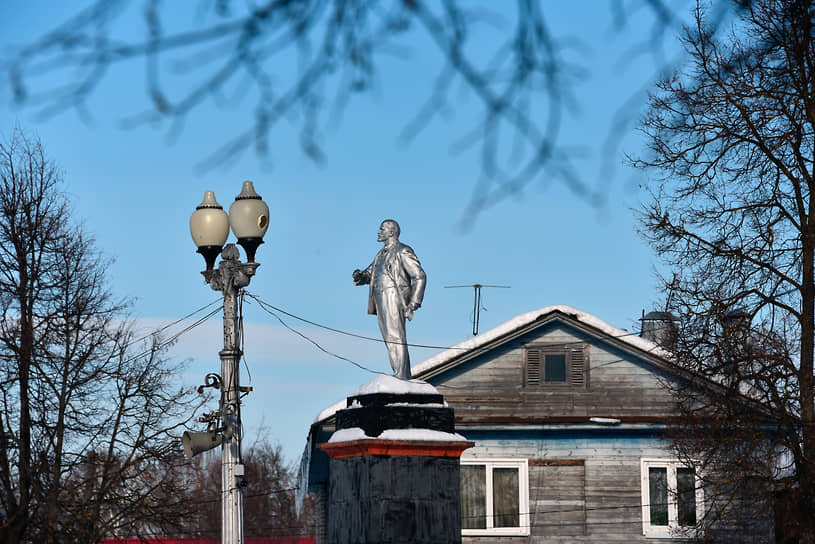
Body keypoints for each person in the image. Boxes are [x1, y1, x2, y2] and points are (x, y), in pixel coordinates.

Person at [353, 219, 426, 380]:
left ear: (391, 232)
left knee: (396, 336)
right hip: (380, 297)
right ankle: (398, 371)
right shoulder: (381, 254)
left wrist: (414, 302)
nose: (379, 232)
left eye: (382, 229)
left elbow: (419, 276)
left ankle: (402, 375)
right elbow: (371, 273)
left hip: (394, 296)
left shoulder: (402, 251)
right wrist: (361, 276)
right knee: (389, 337)